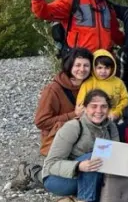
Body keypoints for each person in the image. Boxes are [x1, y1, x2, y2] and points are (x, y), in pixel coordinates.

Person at [15, 47, 95, 191]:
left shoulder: (92, 85)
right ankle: (33, 171)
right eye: (78, 65)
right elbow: (41, 121)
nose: (82, 69)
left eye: (86, 65)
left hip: (83, 138)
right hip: (58, 140)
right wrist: (72, 115)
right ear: (69, 65)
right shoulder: (53, 89)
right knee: (67, 180)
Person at [41, 89, 120, 202]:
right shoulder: (73, 127)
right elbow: (51, 164)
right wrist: (78, 166)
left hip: (92, 174)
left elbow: (115, 156)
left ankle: (76, 199)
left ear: (109, 109)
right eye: (94, 106)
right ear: (85, 108)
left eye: (103, 106)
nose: (99, 111)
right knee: (93, 157)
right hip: (59, 179)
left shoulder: (111, 127)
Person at [75, 49, 128, 120]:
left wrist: (116, 112)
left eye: (107, 68)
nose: (103, 71)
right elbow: (80, 103)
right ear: (93, 68)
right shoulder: (88, 83)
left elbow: (126, 99)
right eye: (99, 68)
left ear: (112, 68)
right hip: (92, 118)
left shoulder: (119, 82)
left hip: (112, 118)